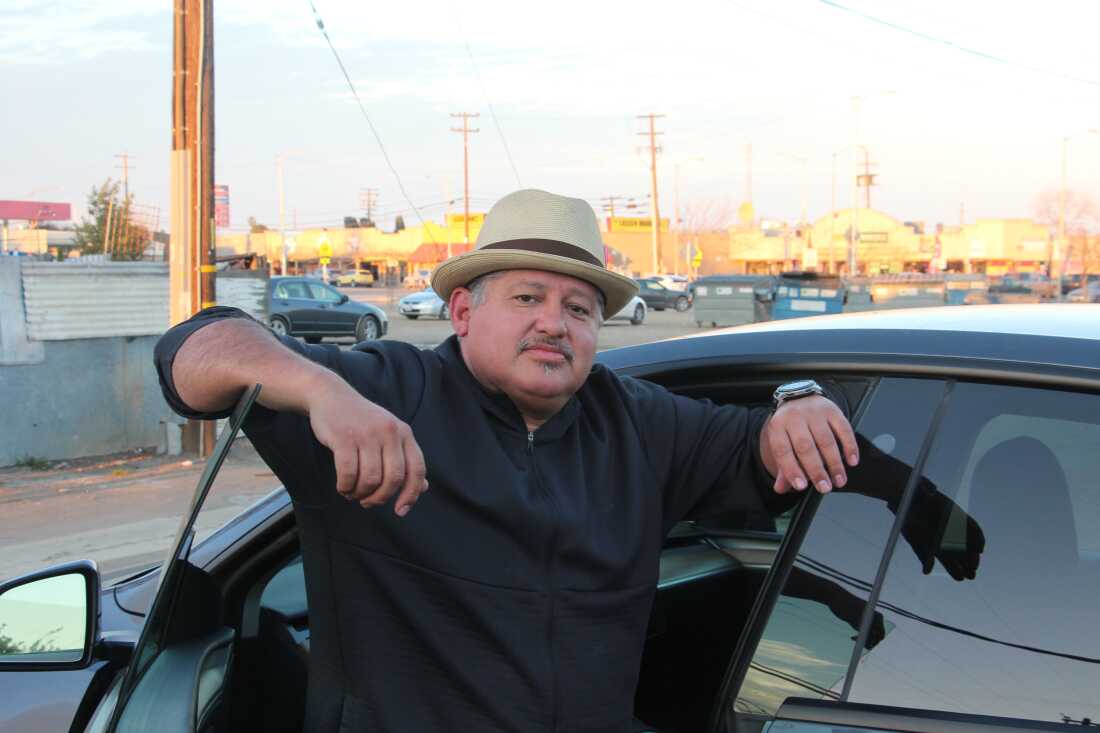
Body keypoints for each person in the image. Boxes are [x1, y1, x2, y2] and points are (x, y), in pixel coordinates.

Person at [154, 189, 859, 733]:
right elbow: (192, 353)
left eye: (578, 308)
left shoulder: (638, 421)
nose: (554, 322)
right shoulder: (387, 392)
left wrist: (797, 404)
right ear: (462, 312)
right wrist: (319, 390)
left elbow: (761, 452)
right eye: (528, 297)